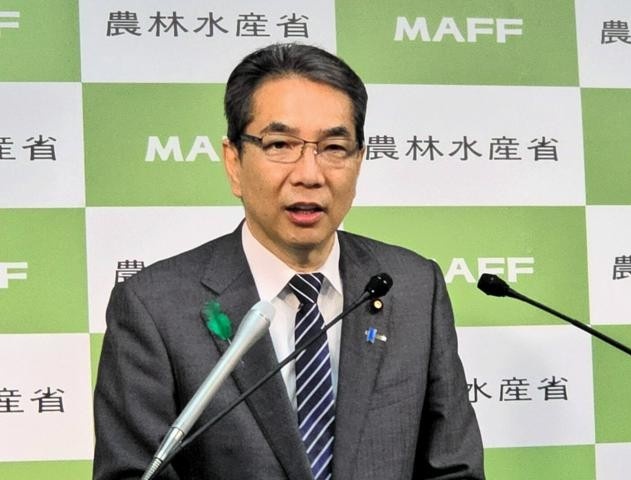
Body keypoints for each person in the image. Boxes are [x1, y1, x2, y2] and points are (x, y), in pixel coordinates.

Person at [93, 43, 484, 480]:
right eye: (280, 144)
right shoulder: (155, 308)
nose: (309, 175)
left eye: (334, 147)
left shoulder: (413, 287)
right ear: (234, 162)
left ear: (359, 160)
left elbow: (454, 470)